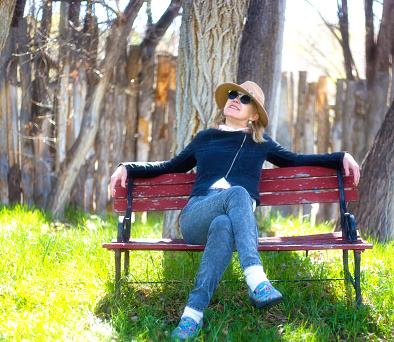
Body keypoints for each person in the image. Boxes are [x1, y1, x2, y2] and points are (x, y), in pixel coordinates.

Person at [109, 80, 360, 340]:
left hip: (230, 220)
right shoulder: (205, 138)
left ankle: (191, 316)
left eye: (244, 98)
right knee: (239, 192)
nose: (235, 99)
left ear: (254, 115)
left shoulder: (260, 143)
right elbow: (171, 166)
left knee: (224, 225)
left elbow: (297, 160)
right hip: (197, 215)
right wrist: (127, 166)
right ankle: (256, 279)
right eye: (233, 94)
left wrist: (340, 156)